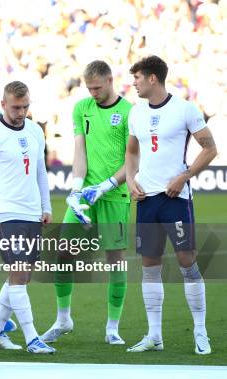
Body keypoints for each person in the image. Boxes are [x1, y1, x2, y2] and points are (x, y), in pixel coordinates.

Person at [125, 55, 217, 355]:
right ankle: (154, 336)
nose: (134, 82)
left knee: (187, 261)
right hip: (146, 200)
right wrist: (130, 179)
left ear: (153, 78)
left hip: (175, 198)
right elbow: (131, 152)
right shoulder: (136, 113)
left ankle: (201, 332)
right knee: (149, 265)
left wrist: (185, 175)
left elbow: (210, 148)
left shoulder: (185, 109)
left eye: (137, 77)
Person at [41, 60, 132, 345]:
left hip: (115, 194)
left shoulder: (129, 112)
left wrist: (106, 186)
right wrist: (77, 187)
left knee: (115, 261)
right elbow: (79, 151)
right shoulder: (82, 108)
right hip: (86, 196)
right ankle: (63, 318)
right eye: (89, 88)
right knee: (64, 253)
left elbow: (133, 161)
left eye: (97, 87)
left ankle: (112, 328)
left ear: (109, 81)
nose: (93, 92)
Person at [0, 81, 54, 354]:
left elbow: (40, 171)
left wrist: (46, 206)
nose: (22, 112)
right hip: (5, 213)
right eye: (16, 107)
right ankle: (32, 338)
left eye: (26, 106)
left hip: (31, 213)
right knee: (17, 273)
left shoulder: (36, 130)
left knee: (22, 277)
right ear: (3, 104)